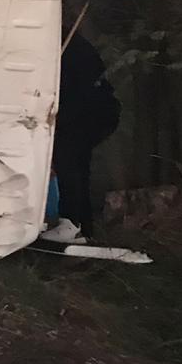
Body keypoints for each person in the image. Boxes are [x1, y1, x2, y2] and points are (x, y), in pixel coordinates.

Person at [52, 31, 121, 233]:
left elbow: (82, 91)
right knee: (77, 164)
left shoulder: (67, 42)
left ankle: (72, 222)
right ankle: (82, 225)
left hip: (91, 112)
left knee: (68, 158)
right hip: (89, 110)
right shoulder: (65, 39)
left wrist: (59, 117)